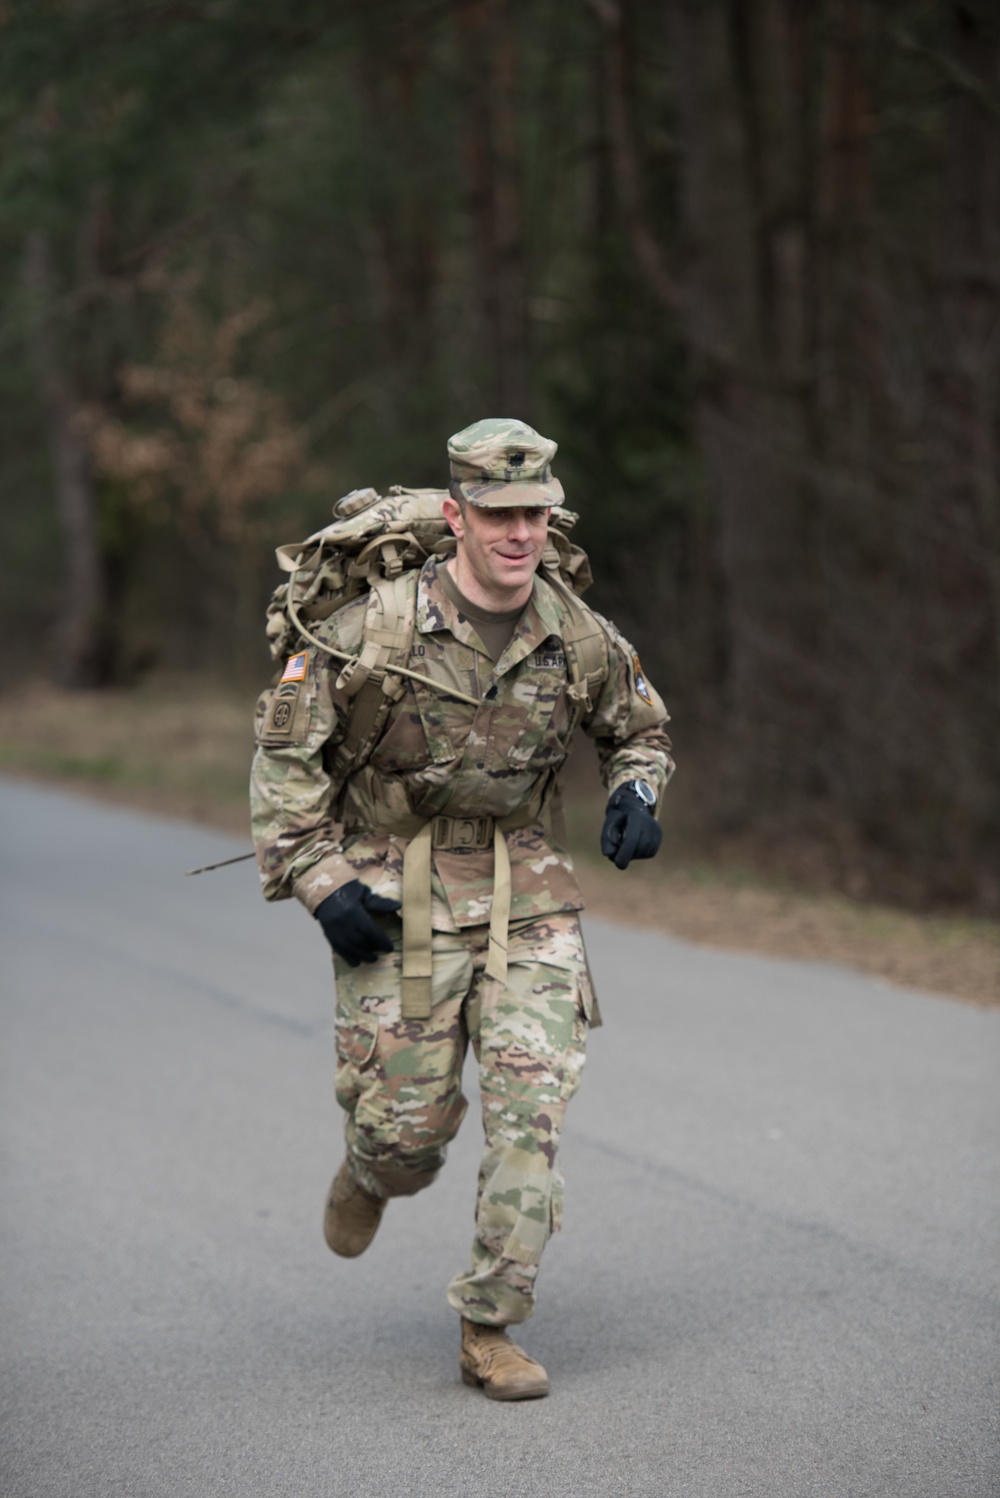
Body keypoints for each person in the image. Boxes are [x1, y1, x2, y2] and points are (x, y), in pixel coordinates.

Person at [250, 417, 673, 1400]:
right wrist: (319, 884)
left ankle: (490, 1326)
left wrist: (637, 792)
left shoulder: (575, 632)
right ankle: (370, 1169)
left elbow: (640, 730)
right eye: (500, 514)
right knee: (408, 1137)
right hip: (391, 890)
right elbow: (283, 763)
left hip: (526, 891)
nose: (522, 532)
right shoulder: (373, 628)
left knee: (531, 1120)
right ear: (458, 516)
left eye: (537, 513)